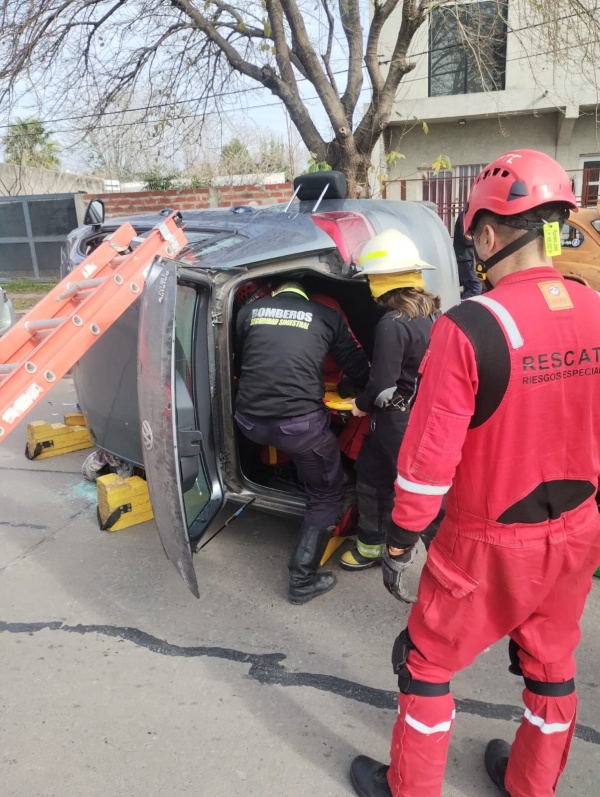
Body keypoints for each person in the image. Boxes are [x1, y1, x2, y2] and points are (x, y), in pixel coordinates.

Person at [349, 149, 600, 797]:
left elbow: (429, 463)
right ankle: (530, 783)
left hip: (485, 542)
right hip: (575, 532)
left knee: (426, 662)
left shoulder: (471, 327)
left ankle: (411, 787)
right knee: (551, 667)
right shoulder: (596, 310)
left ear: (488, 235)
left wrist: (401, 539)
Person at [234, 280, 369, 604]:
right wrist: (351, 390)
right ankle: (302, 581)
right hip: (297, 427)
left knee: (298, 448)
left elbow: (244, 364)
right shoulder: (325, 314)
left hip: (248, 422)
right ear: (304, 293)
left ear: (276, 292)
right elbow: (359, 370)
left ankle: (288, 473)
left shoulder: (249, 312)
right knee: (326, 493)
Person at [338, 230, 441, 573]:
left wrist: (360, 404)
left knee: (413, 497)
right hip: (416, 415)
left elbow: (382, 385)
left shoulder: (392, 323)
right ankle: (370, 546)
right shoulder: (430, 313)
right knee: (370, 476)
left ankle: (444, 565)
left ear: (381, 279)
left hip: (396, 421)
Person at [453, 209, 482, 300]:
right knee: (475, 287)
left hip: (469, 258)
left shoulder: (470, 216)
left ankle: (460, 305)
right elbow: (466, 239)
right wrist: (481, 238)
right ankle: (461, 310)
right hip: (465, 259)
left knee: (470, 288)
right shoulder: (465, 216)